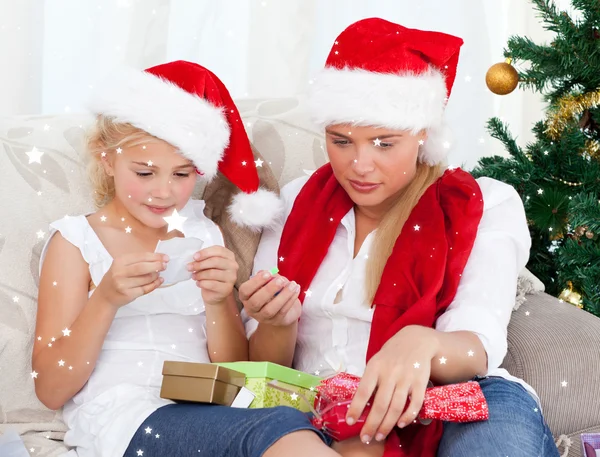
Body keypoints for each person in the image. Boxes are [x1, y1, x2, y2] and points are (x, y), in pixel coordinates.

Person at [240, 18, 560, 457]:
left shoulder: (484, 203)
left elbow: (477, 350)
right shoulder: (296, 203)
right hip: (322, 411)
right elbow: (265, 371)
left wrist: (422, 343)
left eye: (383, 143)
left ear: (423, 133)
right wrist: (278, 322)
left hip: (451, 401)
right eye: (342, 141)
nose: (359, 165)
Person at [32, 61, 339, 457]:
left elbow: (231, 368)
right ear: (107, 159)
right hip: (123, 417)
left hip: (206, 405)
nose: (164, 192)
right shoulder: (75, 241)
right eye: (145, 173)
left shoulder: (201, 232)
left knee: (296, 423)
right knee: (275, 430)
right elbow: (51, 389)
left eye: (182, 174)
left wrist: (217, 300)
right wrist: (105, 299)